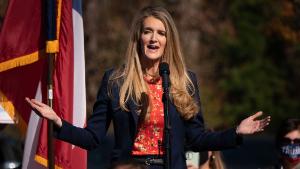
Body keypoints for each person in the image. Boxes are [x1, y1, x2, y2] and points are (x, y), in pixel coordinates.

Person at [25, 6, 271, 169]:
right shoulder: (115, 80)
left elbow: (197, 139)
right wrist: (58, 122)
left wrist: (236, 132)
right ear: (138, 38)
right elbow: (92, 138)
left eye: (161, 33)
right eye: (148, 32)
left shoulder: (185, 81)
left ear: (168, 40)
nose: (154, 38)